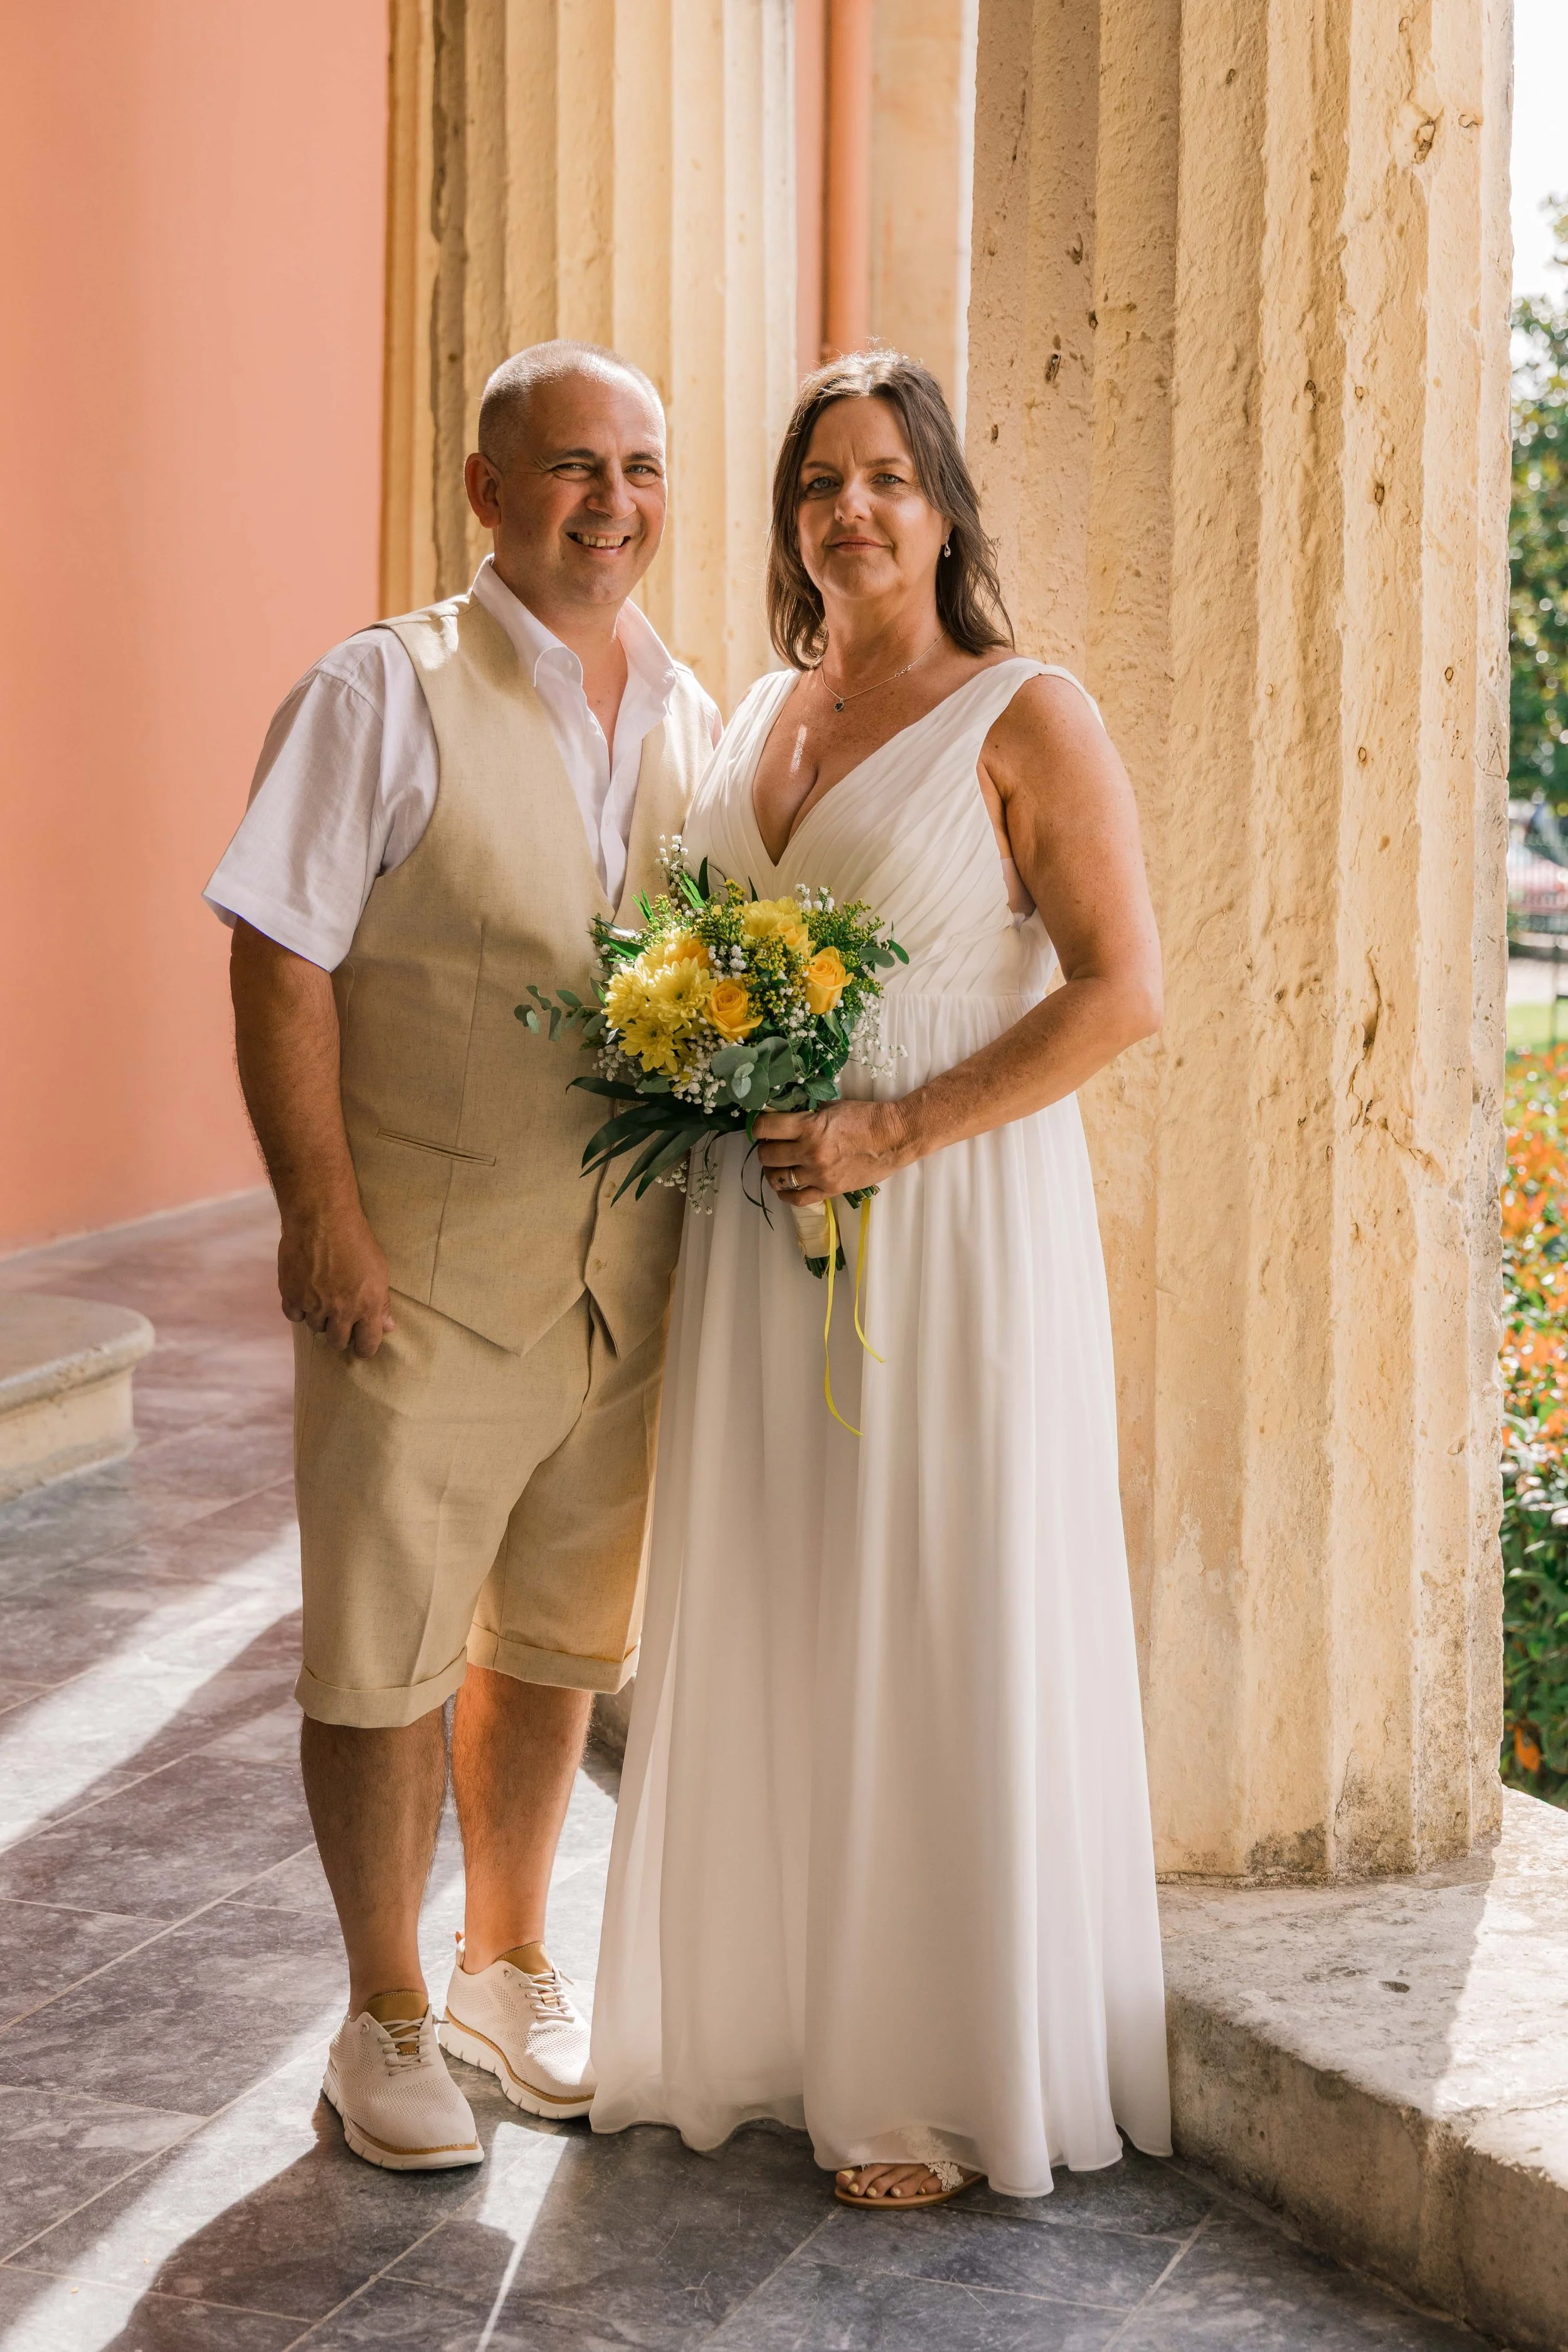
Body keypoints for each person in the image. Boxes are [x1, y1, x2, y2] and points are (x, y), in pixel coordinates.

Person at [589, 351, 1172, 2206]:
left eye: (889, 478)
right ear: (789, 521)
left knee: (930, 1594)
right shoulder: (764, 714)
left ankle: (928, 2071)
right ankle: (773, 2023)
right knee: (784, 1590)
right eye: (819, 482)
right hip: (765, 1232)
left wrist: (892, 1130)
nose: (852, 509)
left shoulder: (1027, 712)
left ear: (943, 512)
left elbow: (1121, 992)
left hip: (946, 1224)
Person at [208, 341, 719, 2171]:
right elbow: (279, 951)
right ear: (488, 491)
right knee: (382, 1650)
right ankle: (385, 2013)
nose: (612, 502)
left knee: (560, 1632)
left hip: (621, 1275)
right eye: (572, 466)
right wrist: (318, 1211)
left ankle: (508, 1965)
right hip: (413, 1267)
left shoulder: (691, 711)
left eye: (640, 467)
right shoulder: (380, 687)